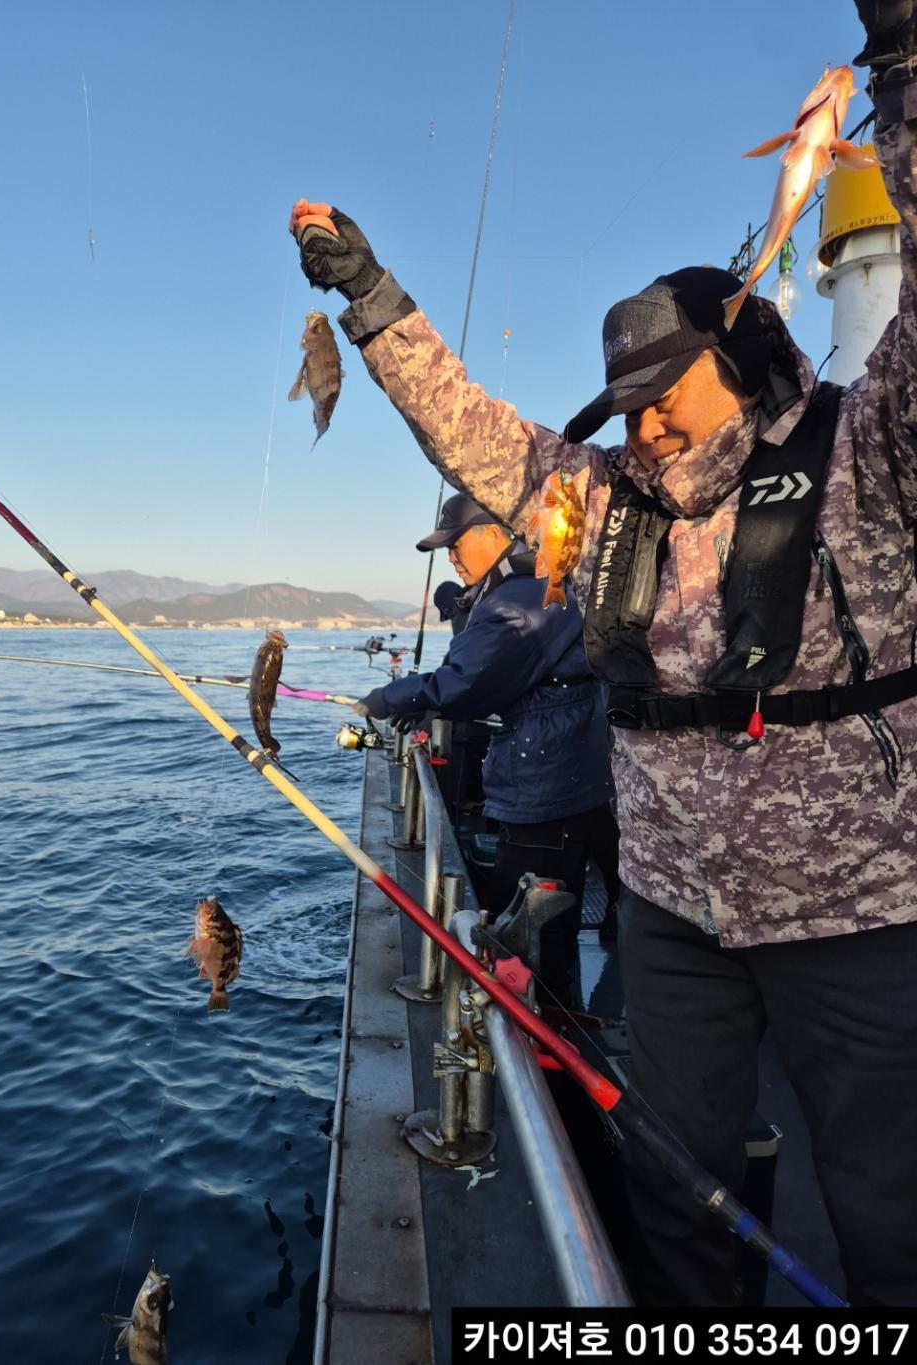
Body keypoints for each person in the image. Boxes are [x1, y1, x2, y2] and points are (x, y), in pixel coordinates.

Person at [289, 5, 917, 1307]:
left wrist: (905, 71)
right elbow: (473, 433)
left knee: (887, 1194)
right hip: (675, 902)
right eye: (626, 395)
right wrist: (370, 296)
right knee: (676, 1176)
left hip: (859, 908)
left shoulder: (868, 452)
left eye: (667, 388)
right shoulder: (610, 500)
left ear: (748, 363)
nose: (641, 419)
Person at [353, 493, 619, 1000]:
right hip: (578, 769)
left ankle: (544, 1036)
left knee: (533, 924)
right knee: (560, 900)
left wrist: (390, 697)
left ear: (494, 534)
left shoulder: (514, 603)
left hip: (544, 783)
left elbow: (465, 684)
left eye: (456, 546)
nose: (452, 558)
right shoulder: (532, 584)